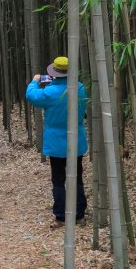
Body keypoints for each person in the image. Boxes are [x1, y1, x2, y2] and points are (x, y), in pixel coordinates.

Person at [25, 56, 88, 227]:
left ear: (54, 73)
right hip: (76, 140)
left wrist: (34, 81)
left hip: (56, 143)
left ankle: (61, 216)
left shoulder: (50, 93)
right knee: (77, 178)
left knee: (59, 179)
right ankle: (80, 214)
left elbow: (31, 95)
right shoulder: (80, 88)